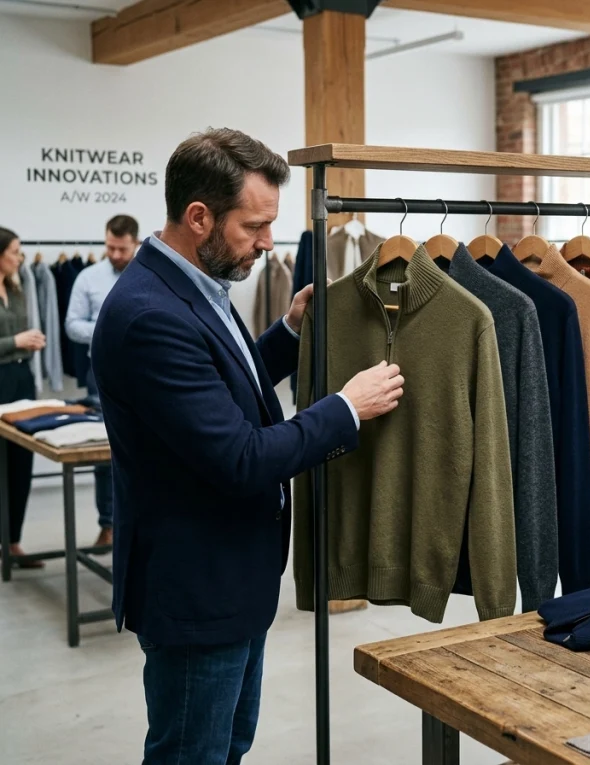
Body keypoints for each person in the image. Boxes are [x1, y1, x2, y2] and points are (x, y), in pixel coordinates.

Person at [91, 128, 404, 764]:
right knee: (192, 754)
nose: (267, 243)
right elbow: (239, 457)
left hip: (231, 581)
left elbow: (221, 388)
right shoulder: (151, 314)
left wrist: (288, 331)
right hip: (196, 592)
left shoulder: (191, 286)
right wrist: (346, 407)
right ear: (199, 216)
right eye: (254, 226)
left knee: (227, 745)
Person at [65, 214, 139, 548]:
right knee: (105, 451)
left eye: (121, 248)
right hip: (103, 376)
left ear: (134, 243)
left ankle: (143, 523)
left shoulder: (149, 275)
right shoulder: (88, 277)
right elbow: (71, 325)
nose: (115, 254)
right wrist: (111, 327)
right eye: (110, 247)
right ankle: (108, 524)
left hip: (148, 374)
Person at [0, 228, 46, 567]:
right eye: (15, 250)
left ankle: (13, 542)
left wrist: (29, 344)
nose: (20, 257)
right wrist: (17, 341)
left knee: (21, 463)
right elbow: (13, 339)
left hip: (21, 378)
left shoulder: (16, 286)